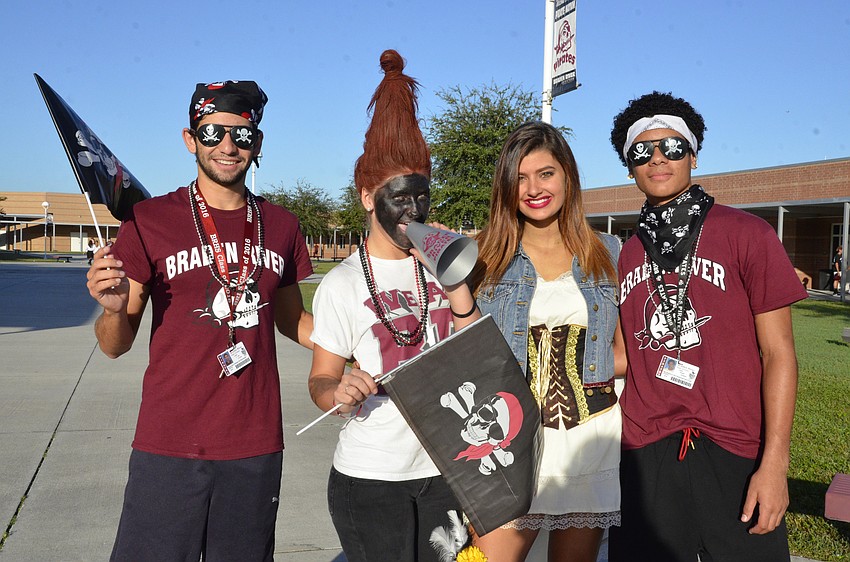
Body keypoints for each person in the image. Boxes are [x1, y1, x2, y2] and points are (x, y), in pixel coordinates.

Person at [85, 80, 314, 561]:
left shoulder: (283, 225)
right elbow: (113, 345)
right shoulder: (148, 220)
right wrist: (110, 309)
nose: (228, 146)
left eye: (242, 134)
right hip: (169, 441)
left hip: (253, 442)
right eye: (211, 133)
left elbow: (294, 321)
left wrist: (362, 345)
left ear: (258, 142)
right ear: (191, 139)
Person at [607, 91, 807, 561]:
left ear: (693, 155)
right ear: (629, 165)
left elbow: (780, 355)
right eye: (643, 151)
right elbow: (623, 355)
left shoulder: (748, 234)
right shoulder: (628, 252)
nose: (658, 159)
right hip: (646, 449)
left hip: (734, 447)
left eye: (673, 147)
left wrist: (774, 465)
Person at [307, 50, 481, 562]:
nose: (414, 212)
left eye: (422, 198)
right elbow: (320, 380)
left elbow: (473, 357)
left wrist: (456, 284)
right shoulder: (340, 284)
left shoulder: (442, 265)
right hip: (371, 479)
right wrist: (337, 390)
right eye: (400, 198)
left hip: (445, 470)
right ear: (367, 196)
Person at [470, 121, 625, 562]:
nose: (533, 188)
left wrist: (586, 366)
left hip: (588, 441)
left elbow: (632, 353)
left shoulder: (609, 252)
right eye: (520, 177)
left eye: (546, 173)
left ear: (568, 177)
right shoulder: (483, 256)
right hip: (507, 441)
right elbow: (462, 352)